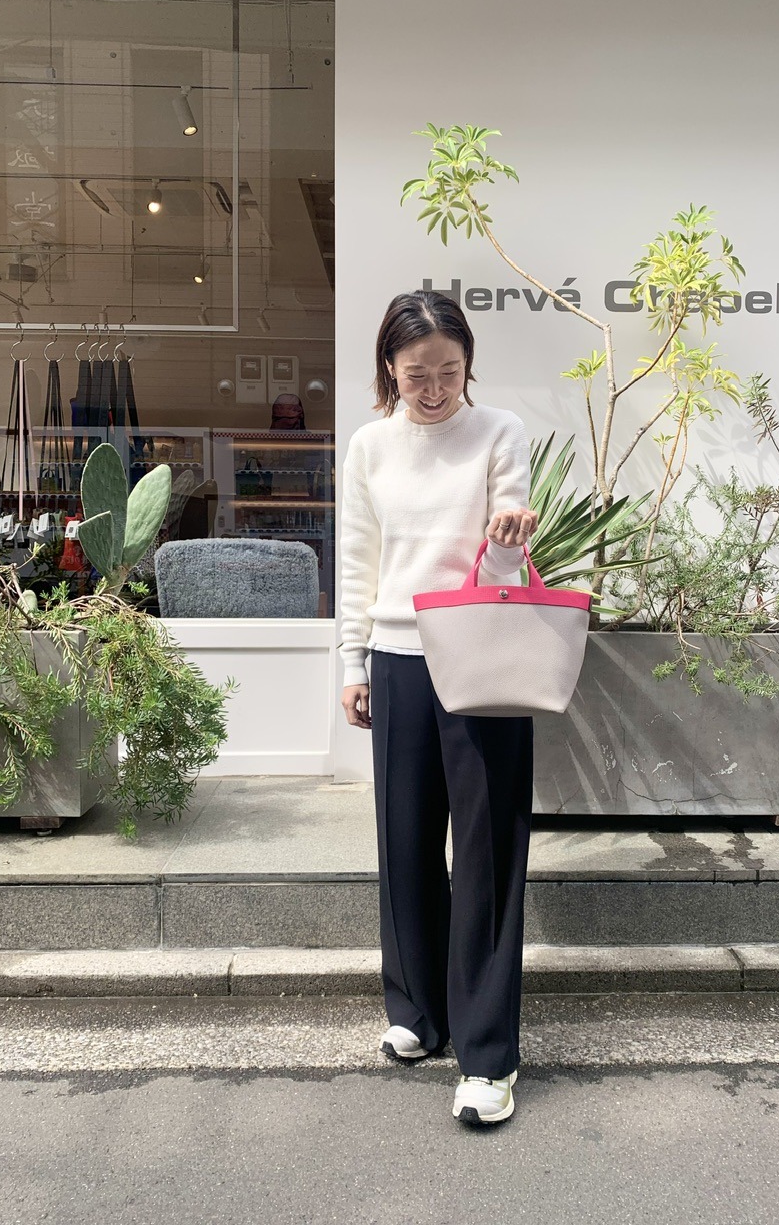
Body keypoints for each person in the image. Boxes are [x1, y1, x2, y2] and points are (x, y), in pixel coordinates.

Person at [339, 289, 539, 1127]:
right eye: (416, 373)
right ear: (389, 367)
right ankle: (418, 1012)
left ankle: (488, 1055)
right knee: (406, 843)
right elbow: (358, 558)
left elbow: (502, 573)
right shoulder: (370, 445)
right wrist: (351, 661)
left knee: (488, 854)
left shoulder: (499, 432)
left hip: (481, 656)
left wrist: (507, 542)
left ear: (468, 366)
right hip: (396, 658)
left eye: (448, 372)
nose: (432, 389)